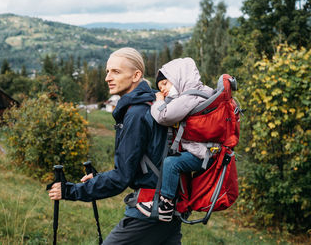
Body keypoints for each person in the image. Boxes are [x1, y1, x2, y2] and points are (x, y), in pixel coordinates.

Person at [48, 47, 182, 244]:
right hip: (171, 207)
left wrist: (70, 191)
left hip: (150, 211)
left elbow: (121, 177)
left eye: (116, 72)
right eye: (107, 71)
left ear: (136, 75)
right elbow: (145, 162)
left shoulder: (136, 114)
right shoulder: (153, 103)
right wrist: (100, 177)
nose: (107, 78)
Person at [136, 58, 214, 222]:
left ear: (179, 77)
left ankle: (165, 206)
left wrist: (158, 102)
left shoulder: (190, 96)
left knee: (171, 163)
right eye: (160, 87)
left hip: (201, 154)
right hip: (206, 151)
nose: (163, 89)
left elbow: (164, 117)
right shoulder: (202, 91)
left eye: (165, 83)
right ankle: (180, 206)